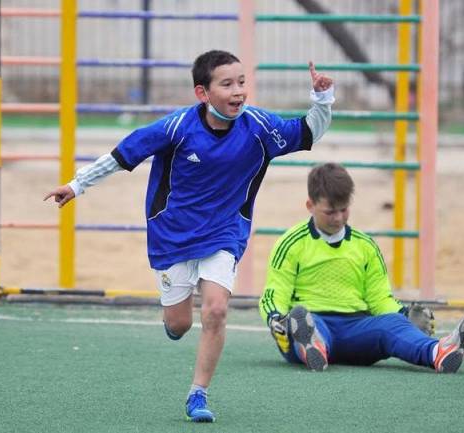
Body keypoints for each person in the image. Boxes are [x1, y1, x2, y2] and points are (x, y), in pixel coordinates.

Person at [44, 50, 335, 422]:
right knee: (179, 325)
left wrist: (322, 98)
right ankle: (173, 322)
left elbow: (308, 132)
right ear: (203, 92)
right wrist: (76, 184)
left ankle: (198, 394)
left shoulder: (260, 127)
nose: (238, 91)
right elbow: (123, 154)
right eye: (227, 84)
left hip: (225, 233)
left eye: (241, 82)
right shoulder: (176, 127)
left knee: (216, 310)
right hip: (172, 237)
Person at [259, 163, 464, 373]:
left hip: (356, 329)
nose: (338, 218)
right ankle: (312, 346)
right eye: (330, 212)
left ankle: (439, 352)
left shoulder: (365, 246)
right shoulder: (291, 243)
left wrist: (404, 314)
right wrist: (276, 318)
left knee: (393, 324)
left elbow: (380, 299)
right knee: (301, 321)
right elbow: (275, 291)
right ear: (310, 205)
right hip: (313, 321)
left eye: (344, 210)